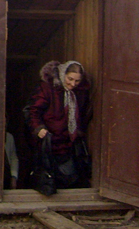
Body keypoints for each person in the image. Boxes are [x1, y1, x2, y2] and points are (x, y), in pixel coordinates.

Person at [24, 60, 92, 194]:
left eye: (77, 81)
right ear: (63, 74)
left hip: (68, 142)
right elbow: (32, 110)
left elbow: (83, 113)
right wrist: (38, 128)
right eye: (70, 79)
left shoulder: (80, 92)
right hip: (49, 141)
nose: (73, 84)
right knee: (47, 180)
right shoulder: (47, 88)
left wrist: (78, 131)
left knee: (69, 179)